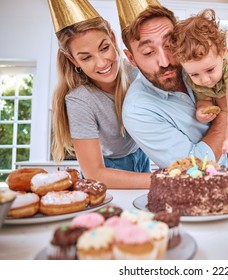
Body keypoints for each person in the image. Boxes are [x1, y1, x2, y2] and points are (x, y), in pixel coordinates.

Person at [115, 0, 228, 170]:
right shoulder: (138, 111)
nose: (164, 62)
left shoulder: (194, 64)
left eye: (170, 45)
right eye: (148, 52)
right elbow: (195, 166)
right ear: (131, 58)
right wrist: (227, 112)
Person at [48, 0, 151, 189]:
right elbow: (94, 173)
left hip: (142, 156)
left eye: (104, 48)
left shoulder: (137, 73)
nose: (102, 63)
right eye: (86, 57)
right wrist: (163, 180)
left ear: (112, 38)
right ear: (73, 60)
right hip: (109, 170)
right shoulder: (80, 100)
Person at [170, 9, 228, 178]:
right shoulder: (195, 75)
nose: (205, 79)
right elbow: (203, 97)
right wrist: (202, 111)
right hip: (227, 101)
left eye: (210, 70)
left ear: (222, 52)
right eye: (195, 74)